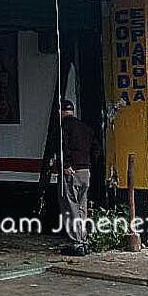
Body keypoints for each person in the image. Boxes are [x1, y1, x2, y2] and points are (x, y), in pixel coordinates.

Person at [59, 100, 99, 256]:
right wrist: (89, 163)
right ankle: (83, 240)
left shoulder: (64, 127)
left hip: (72, 171)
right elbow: (96, 147)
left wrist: (67, 164)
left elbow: (64, 146)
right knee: (82, 207)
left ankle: (77, 243)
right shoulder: (86, 128)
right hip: (85, 171)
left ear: (61, 112)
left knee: (71, 207)